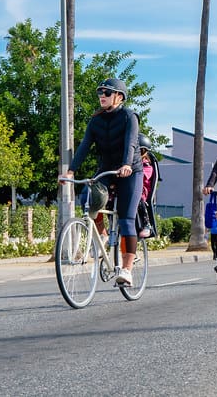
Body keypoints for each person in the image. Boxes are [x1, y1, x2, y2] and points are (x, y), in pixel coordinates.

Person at [64, 78, 143, 287]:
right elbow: (84, 146)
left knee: (126, 218)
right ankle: (103, 235)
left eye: (107, 92)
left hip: (130, 171)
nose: (102, 95)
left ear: (119, 96)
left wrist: (126, 164)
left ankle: (127, 270)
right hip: (107, 169)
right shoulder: (95, 121)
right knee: (88, 197)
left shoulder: (129, 117)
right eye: (100, 92)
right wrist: (71, 171)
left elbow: (131, 144)